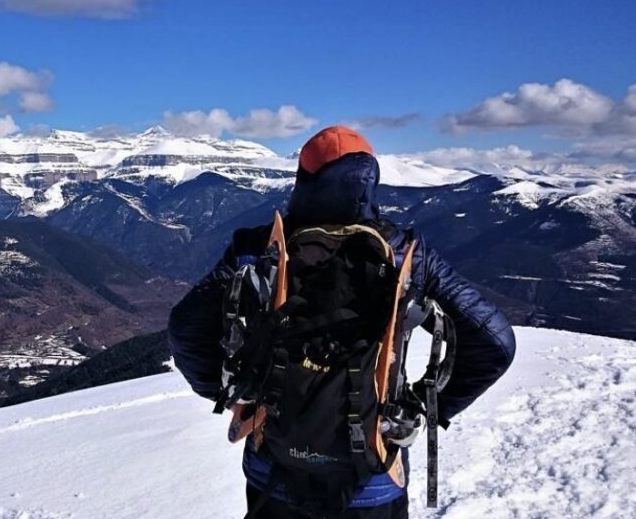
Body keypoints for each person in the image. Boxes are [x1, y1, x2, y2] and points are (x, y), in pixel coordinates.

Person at [168, 126, 516, 518]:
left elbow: (185, 326)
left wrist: (232, 392)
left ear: (304, 178)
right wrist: (426, 408)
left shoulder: (258, 248)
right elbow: (496, 342)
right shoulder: (407, 257)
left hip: (275, 472)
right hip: (371, 478)